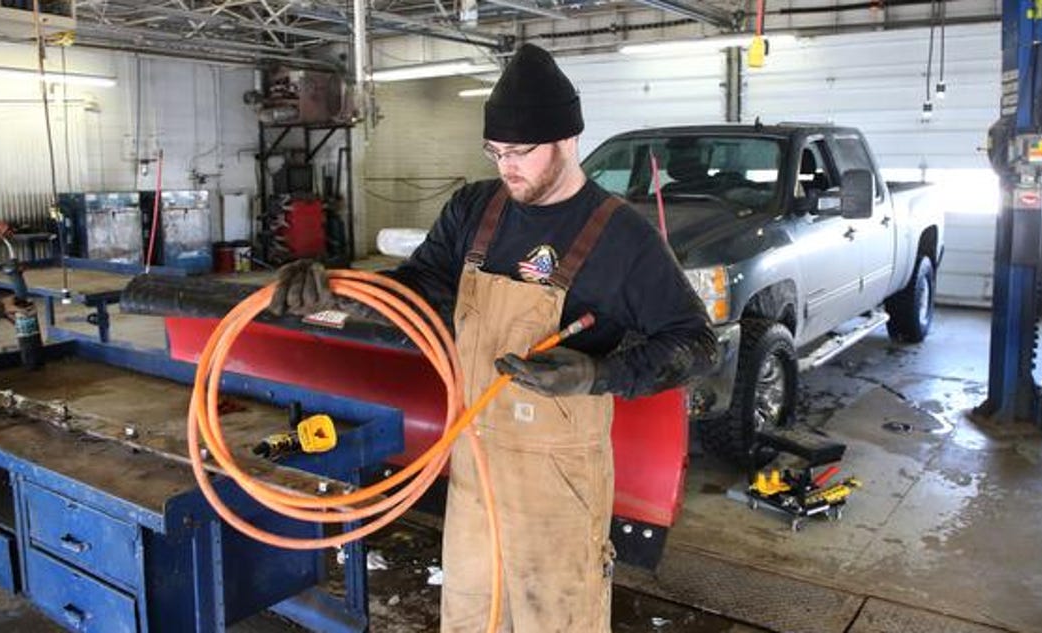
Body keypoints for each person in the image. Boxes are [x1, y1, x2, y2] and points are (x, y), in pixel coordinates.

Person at [271, 43, 716, 633]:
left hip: (558, 481)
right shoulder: (476, 210)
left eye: (520, 153)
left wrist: (598, 374)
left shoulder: (622, 239)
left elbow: (696, 344)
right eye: (495, 152)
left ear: (567, 139)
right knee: (468, 615)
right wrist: (341, 288)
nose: (507, 167)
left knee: (557, 620)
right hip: (473, 461)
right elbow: (417, 287)